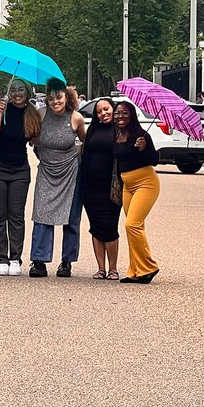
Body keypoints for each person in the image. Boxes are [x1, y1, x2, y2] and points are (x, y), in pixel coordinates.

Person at [0, 79, 41, 276]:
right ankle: (2, 258)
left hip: (19, 170)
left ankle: (15, 257)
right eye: (13, 90)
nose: (17, 93)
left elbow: (38, 140)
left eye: (21, 90)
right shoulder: (1, 110)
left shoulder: (32, 113)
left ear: (28, 92)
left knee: (16, 215)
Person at [29, 77, 86, 278]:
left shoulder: (76, 118)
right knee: (42, 213)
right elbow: (32, 136)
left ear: (66, 97)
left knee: (71, 218)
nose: (55, 102)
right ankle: (39, 261)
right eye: (51, 98)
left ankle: (67, 262)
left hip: (70, 171)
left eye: (59, 97)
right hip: (47, 170)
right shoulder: (41, 114)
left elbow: (85, 142)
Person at [114, 101, 160, 284]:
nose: (120, 117)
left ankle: (149, 267)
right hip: (127, 185)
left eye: (125, 113)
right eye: (117, 113)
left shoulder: (141, 135)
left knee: (132, 224)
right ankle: (135, 270)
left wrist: (144, 148)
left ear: (132, 115)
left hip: (145, 183)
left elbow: (155, 160)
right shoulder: (117, 134)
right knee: (134, 228)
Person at [81, 98, 122, 280]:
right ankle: (101, 268)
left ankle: (113, 268)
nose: (103, 114)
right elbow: (85, 153)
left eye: (106, 109)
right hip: (91, 186)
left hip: (111, 187)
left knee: (110, 227)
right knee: (96, 227)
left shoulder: (120, 131)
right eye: (99, 112)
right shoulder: (93, 129)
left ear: (112, 109)